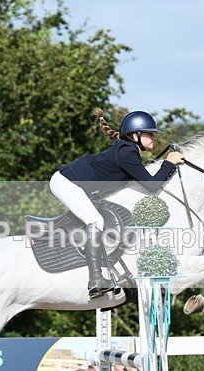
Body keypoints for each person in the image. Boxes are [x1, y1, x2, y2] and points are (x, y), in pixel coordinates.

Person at [50, 109, 185, 299]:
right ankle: (96, 280)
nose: (154, 137)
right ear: (134, 135)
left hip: (74, 183)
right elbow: (153, 185)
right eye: (149, 133)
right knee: (95, 220)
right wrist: (169, 163)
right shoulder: (126, 152)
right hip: (66, 182)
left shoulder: (126, 150)